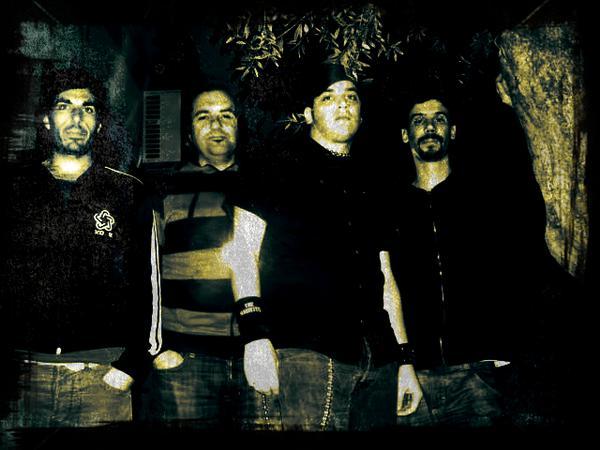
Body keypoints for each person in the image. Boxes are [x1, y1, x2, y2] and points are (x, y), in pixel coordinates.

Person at [249, 63, 420, 431]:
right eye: (328, 97)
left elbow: (386, 275)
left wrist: (405, 359)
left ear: (361, 112)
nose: (343, 104)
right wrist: (254, 336)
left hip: (378, 358)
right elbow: (242, 253)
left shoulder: (374, 180)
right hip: (308, 353)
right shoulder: (275, 166)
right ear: (308, 113)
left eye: (351, 97)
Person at [0, 66, 162, 429]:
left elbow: (148, 284)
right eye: (64, 106)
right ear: (45, 119)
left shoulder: (128, 193)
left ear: (99, 124)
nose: (76, 117)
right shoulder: (15, 190)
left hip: (102, 377)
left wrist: (132, 365)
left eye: (87, 108)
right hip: (22, 378)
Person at [389, 87, 549, 428]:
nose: (429, 127)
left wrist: (505, 349)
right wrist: (400, 359)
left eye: (439, 119)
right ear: (405, 135)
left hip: (479, 373)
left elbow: (519, 270)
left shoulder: (485, 198)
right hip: (415, 374)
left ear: (453, 131)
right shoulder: (392, 207)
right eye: (419, 121)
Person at [138, 85, 279, 430]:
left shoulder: (267, 186)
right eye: (204, 117)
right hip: (186, 362)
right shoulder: (163, 188)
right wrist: (158, 351)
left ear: (239, 125)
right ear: (189, 132)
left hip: (259, 356)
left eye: (226, 115)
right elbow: (143, 272)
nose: (216, 125)